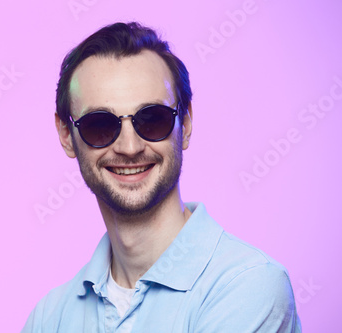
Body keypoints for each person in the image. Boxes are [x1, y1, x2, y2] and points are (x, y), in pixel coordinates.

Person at [22, 22, 301, 332]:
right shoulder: (49, 317)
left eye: (152, 119)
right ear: (65, 135)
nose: (129, 147)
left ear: (187, 122)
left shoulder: (248, 285)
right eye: (99, 125)